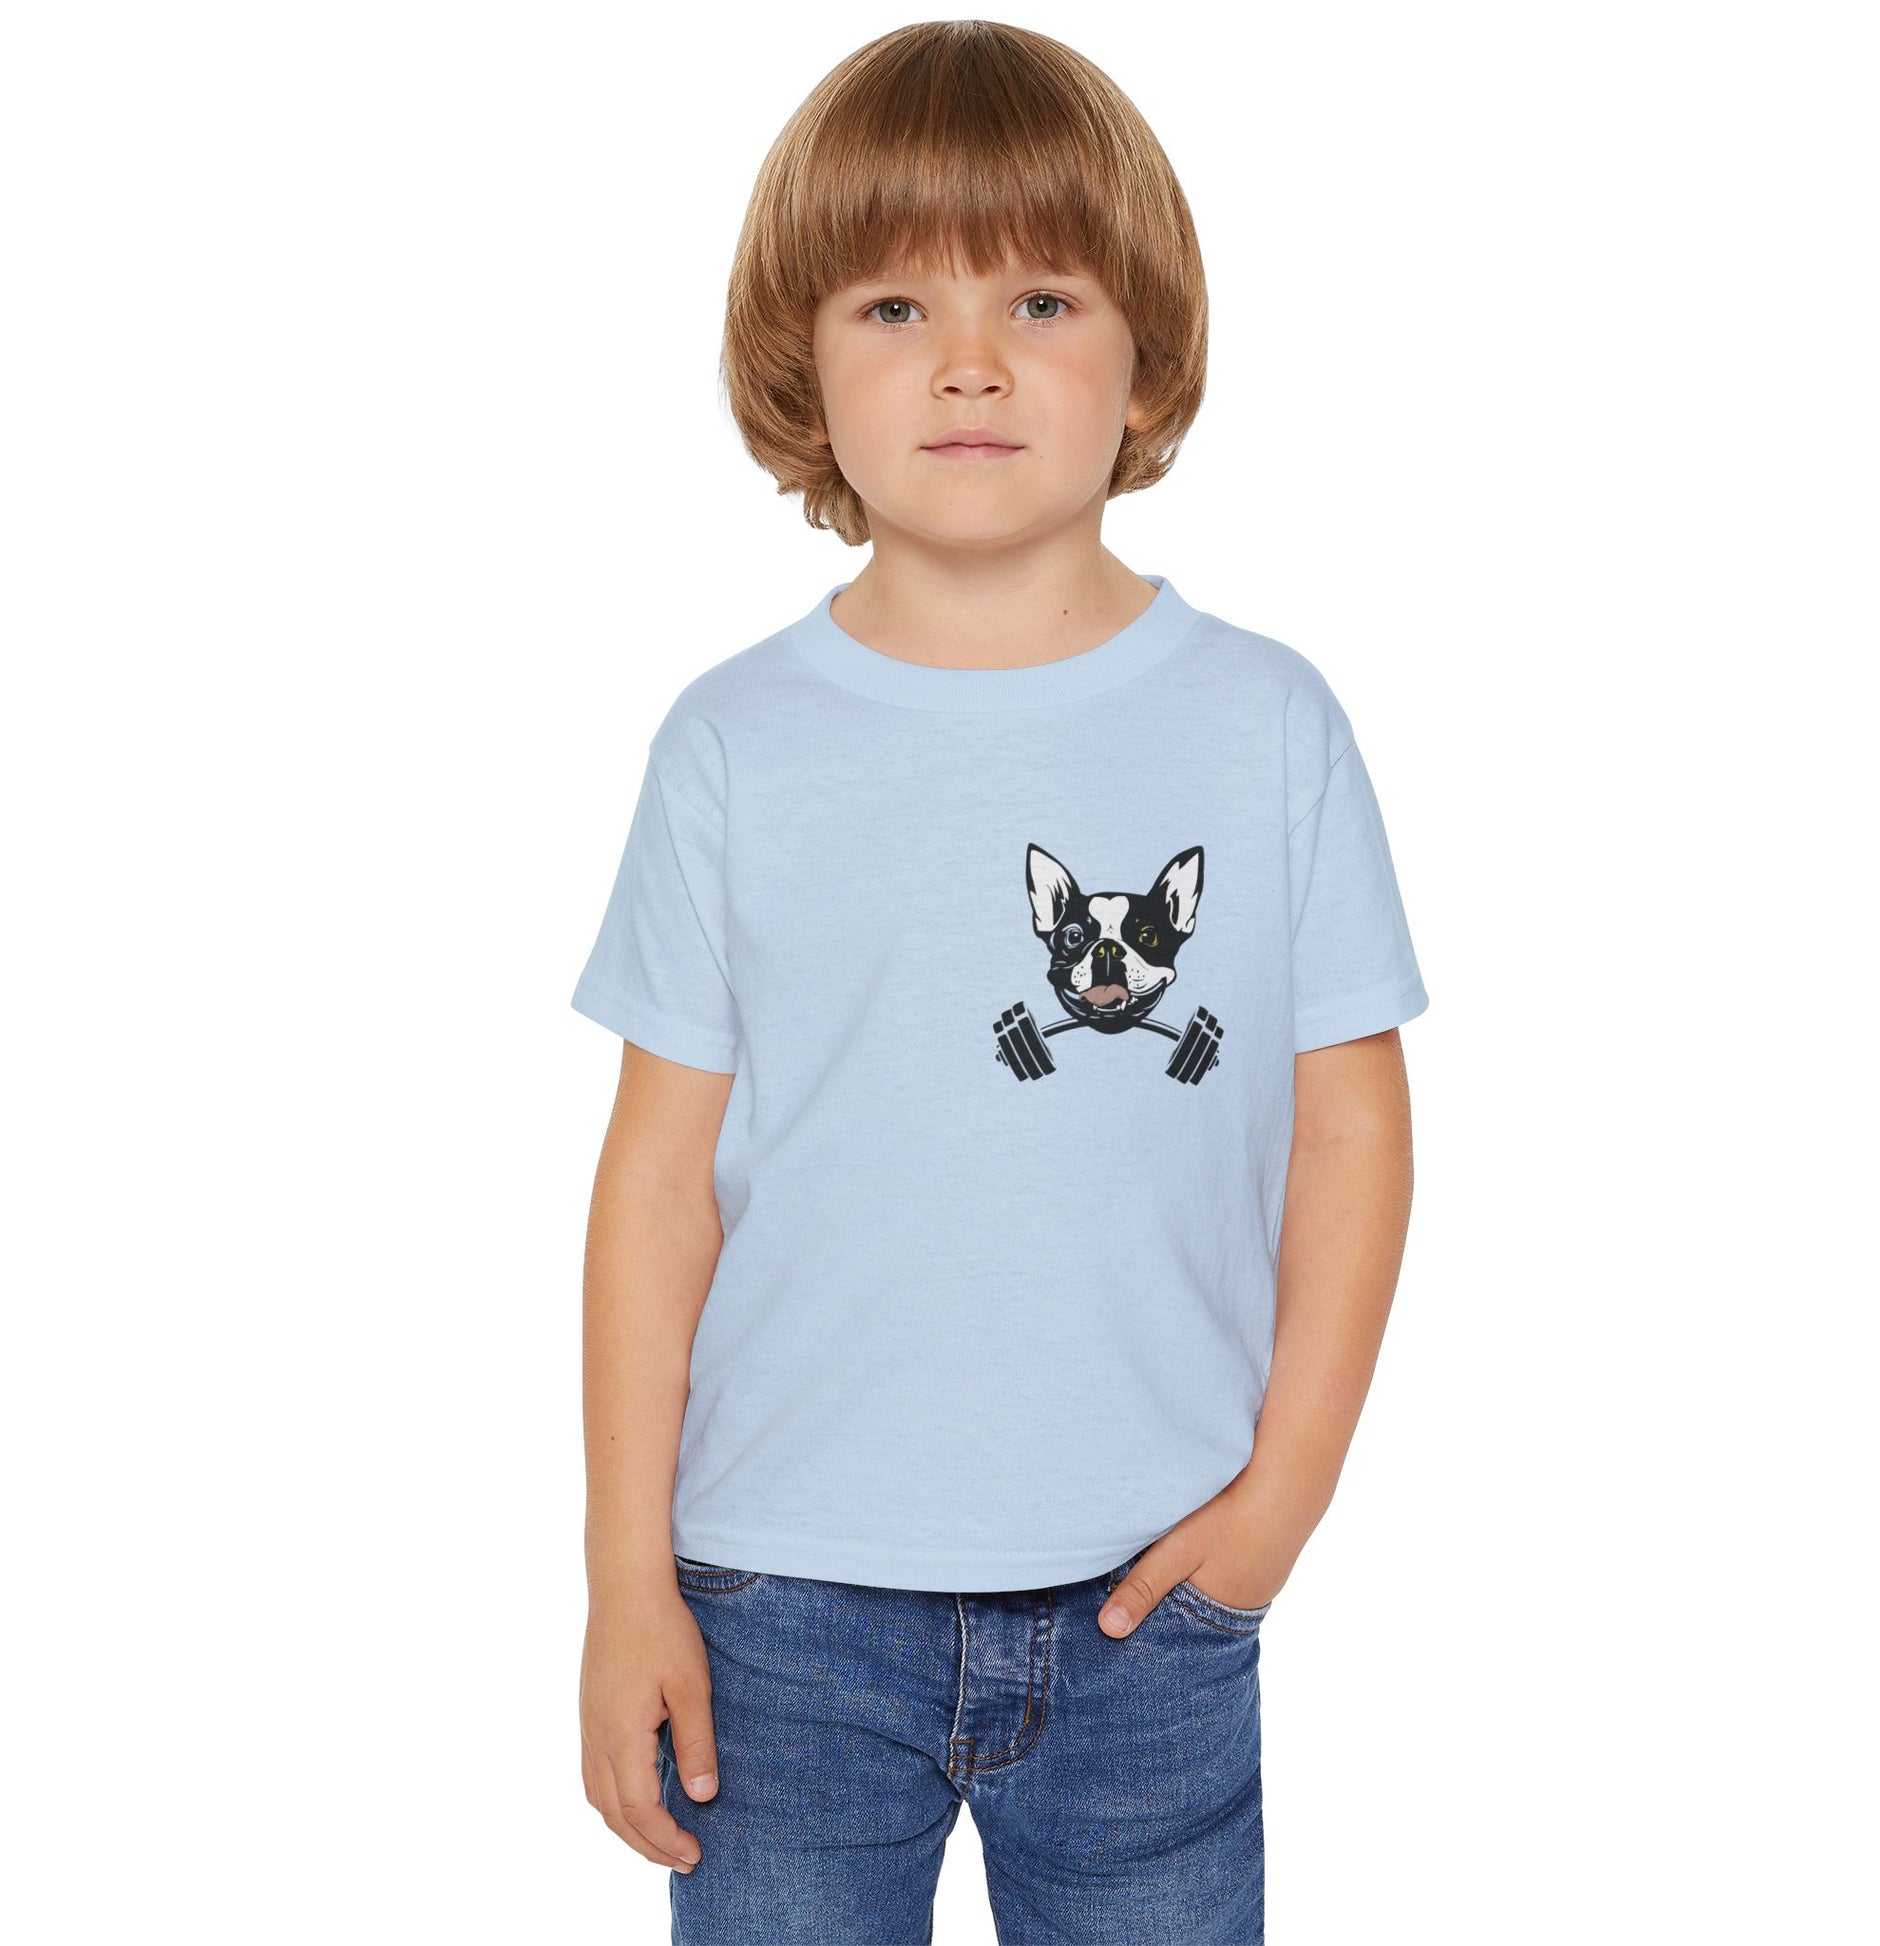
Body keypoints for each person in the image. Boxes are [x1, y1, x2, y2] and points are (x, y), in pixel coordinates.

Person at [571, 21, 1427, 1943]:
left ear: (1147, 353)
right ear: (801, 360)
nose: (968, 359)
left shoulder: (1264, 724)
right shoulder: (733, 744)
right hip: (774, 1605)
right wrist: (626, 1580)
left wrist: (1279, 1504)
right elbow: (654, 1185)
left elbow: (1351, 1129)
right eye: (894, 303)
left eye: (1039, 296)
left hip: (1152, 1597)